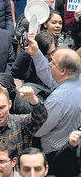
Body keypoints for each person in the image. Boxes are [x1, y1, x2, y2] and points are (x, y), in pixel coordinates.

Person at [25, 37, 81, 169]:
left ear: (63, 71)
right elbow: (50, 78)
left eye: (52, 62)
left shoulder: (57, 99)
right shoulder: (76, 80)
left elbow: (38, 130)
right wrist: (37, 53)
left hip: (57, 157)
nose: (49, 64)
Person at [0, 85, 48, 169]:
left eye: (2, 107)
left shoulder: (20, 123)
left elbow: (41, 117)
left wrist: (33, 99)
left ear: (9, 104)